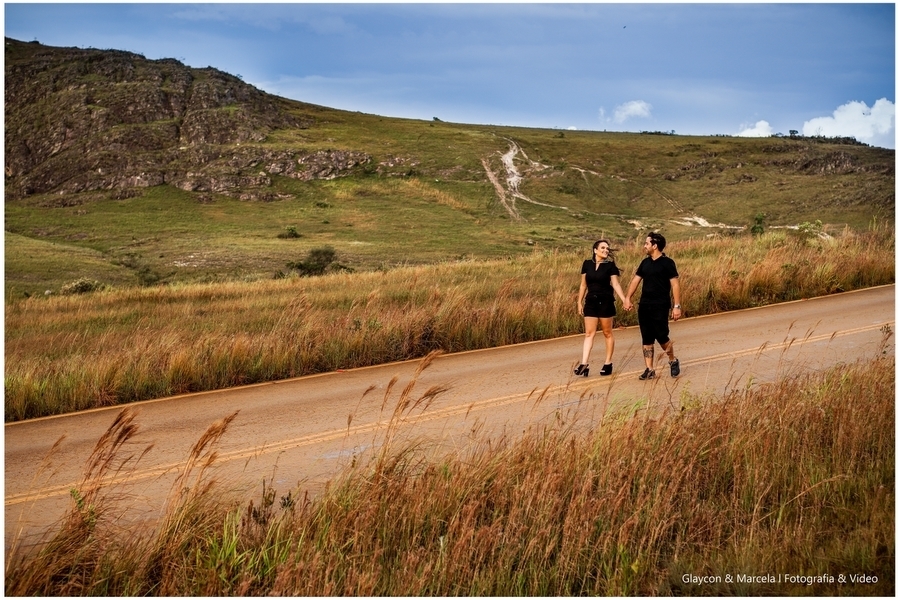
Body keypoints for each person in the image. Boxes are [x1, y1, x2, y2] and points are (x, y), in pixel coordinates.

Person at [623, 232, 682, 380]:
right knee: (647, 337)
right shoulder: (645, 263)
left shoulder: (668, 263)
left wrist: (677, 306)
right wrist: (627, 298)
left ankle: (673, 360)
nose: (644, 246)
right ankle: (649, 369)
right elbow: (635, 281)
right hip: (645, 305)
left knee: (662, 336)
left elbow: (675, 285)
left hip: (660, 305)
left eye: (647, 243)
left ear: (655, 246)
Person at [574, 239, 628, 377]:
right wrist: (579, 302)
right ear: (595, 250)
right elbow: (583, 285)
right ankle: (584, 363)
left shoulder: (610, 266)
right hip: (591, 301)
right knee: (588, 333)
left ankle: (608, 363)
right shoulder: (587, 264)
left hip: (606, 301)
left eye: (607, 248)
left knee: (607, 333)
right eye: (603, 247)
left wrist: (624, 300)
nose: (606, 250)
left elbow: (615, 285)